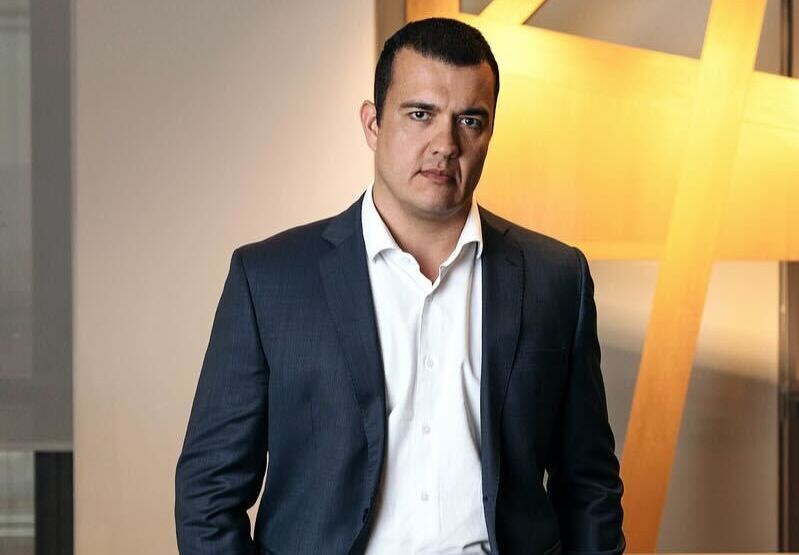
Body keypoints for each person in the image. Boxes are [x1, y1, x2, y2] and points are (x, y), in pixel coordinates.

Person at [175, 17, 624, 555]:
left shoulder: (556, 278)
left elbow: (589, 486)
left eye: (470, 121)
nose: (445, 144)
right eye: (420, 114)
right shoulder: (270, 279)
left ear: (489, 134)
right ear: (372, 123)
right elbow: (208, 493)